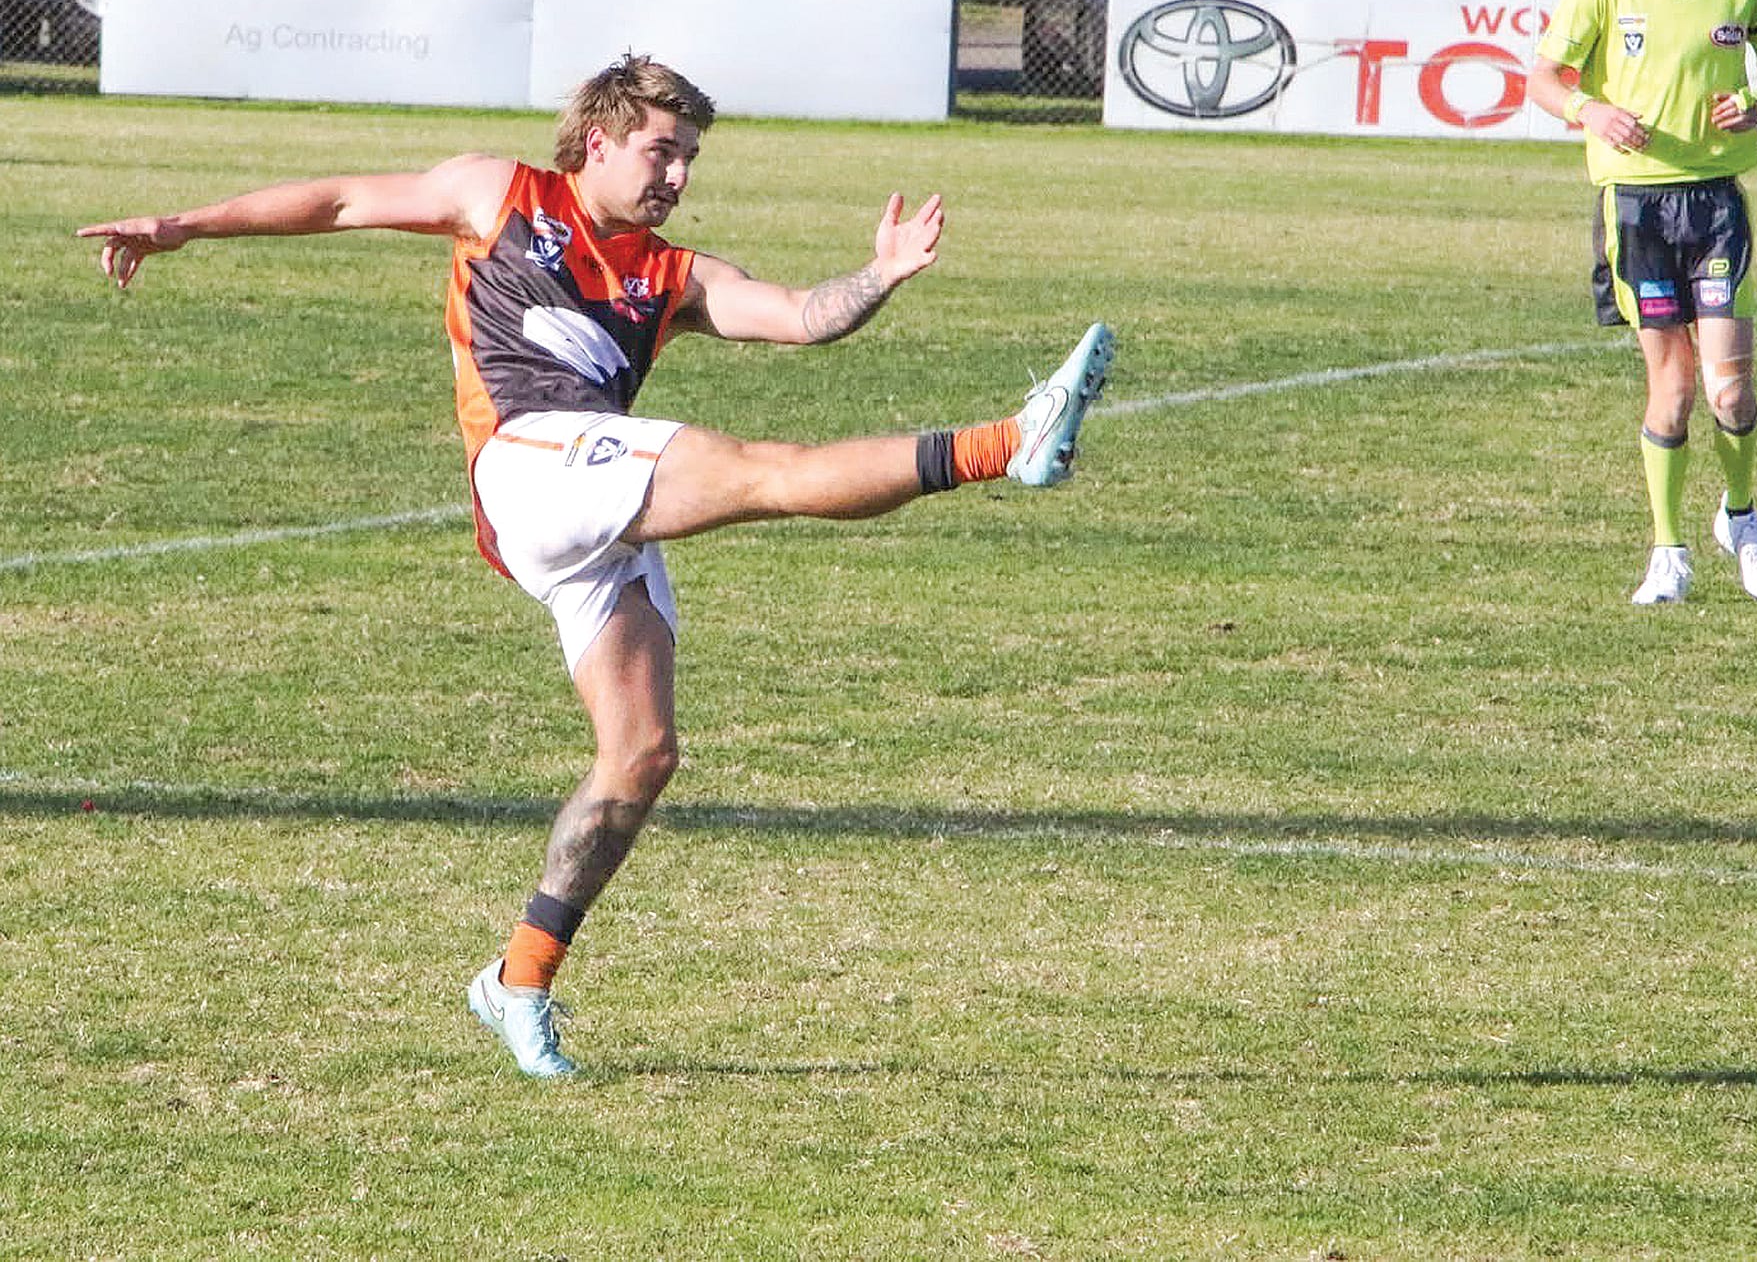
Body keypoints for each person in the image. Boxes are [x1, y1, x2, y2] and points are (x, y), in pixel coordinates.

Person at [77, 54, 1116, 1077]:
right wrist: (179, 227)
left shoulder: (678, 274)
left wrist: (878, 275)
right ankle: (1002, 444)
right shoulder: (501, 192)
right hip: (529, 463)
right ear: (600, 139)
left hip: (594, 492)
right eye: (662, 151)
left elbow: (801, 316)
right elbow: (343, 199)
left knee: (640, 756)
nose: (677, 176)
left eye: (691, 158)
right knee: (759, 471)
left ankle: (517, 979)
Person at [1526, 0, 1757, 606]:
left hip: (1715, 203)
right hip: (1637, 206)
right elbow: (1543, 79)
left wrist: (1755, 101)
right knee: (1672, 393)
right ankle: (1667, 551)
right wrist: (1592, 110)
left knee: (1731, 394)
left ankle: (1741, 518)